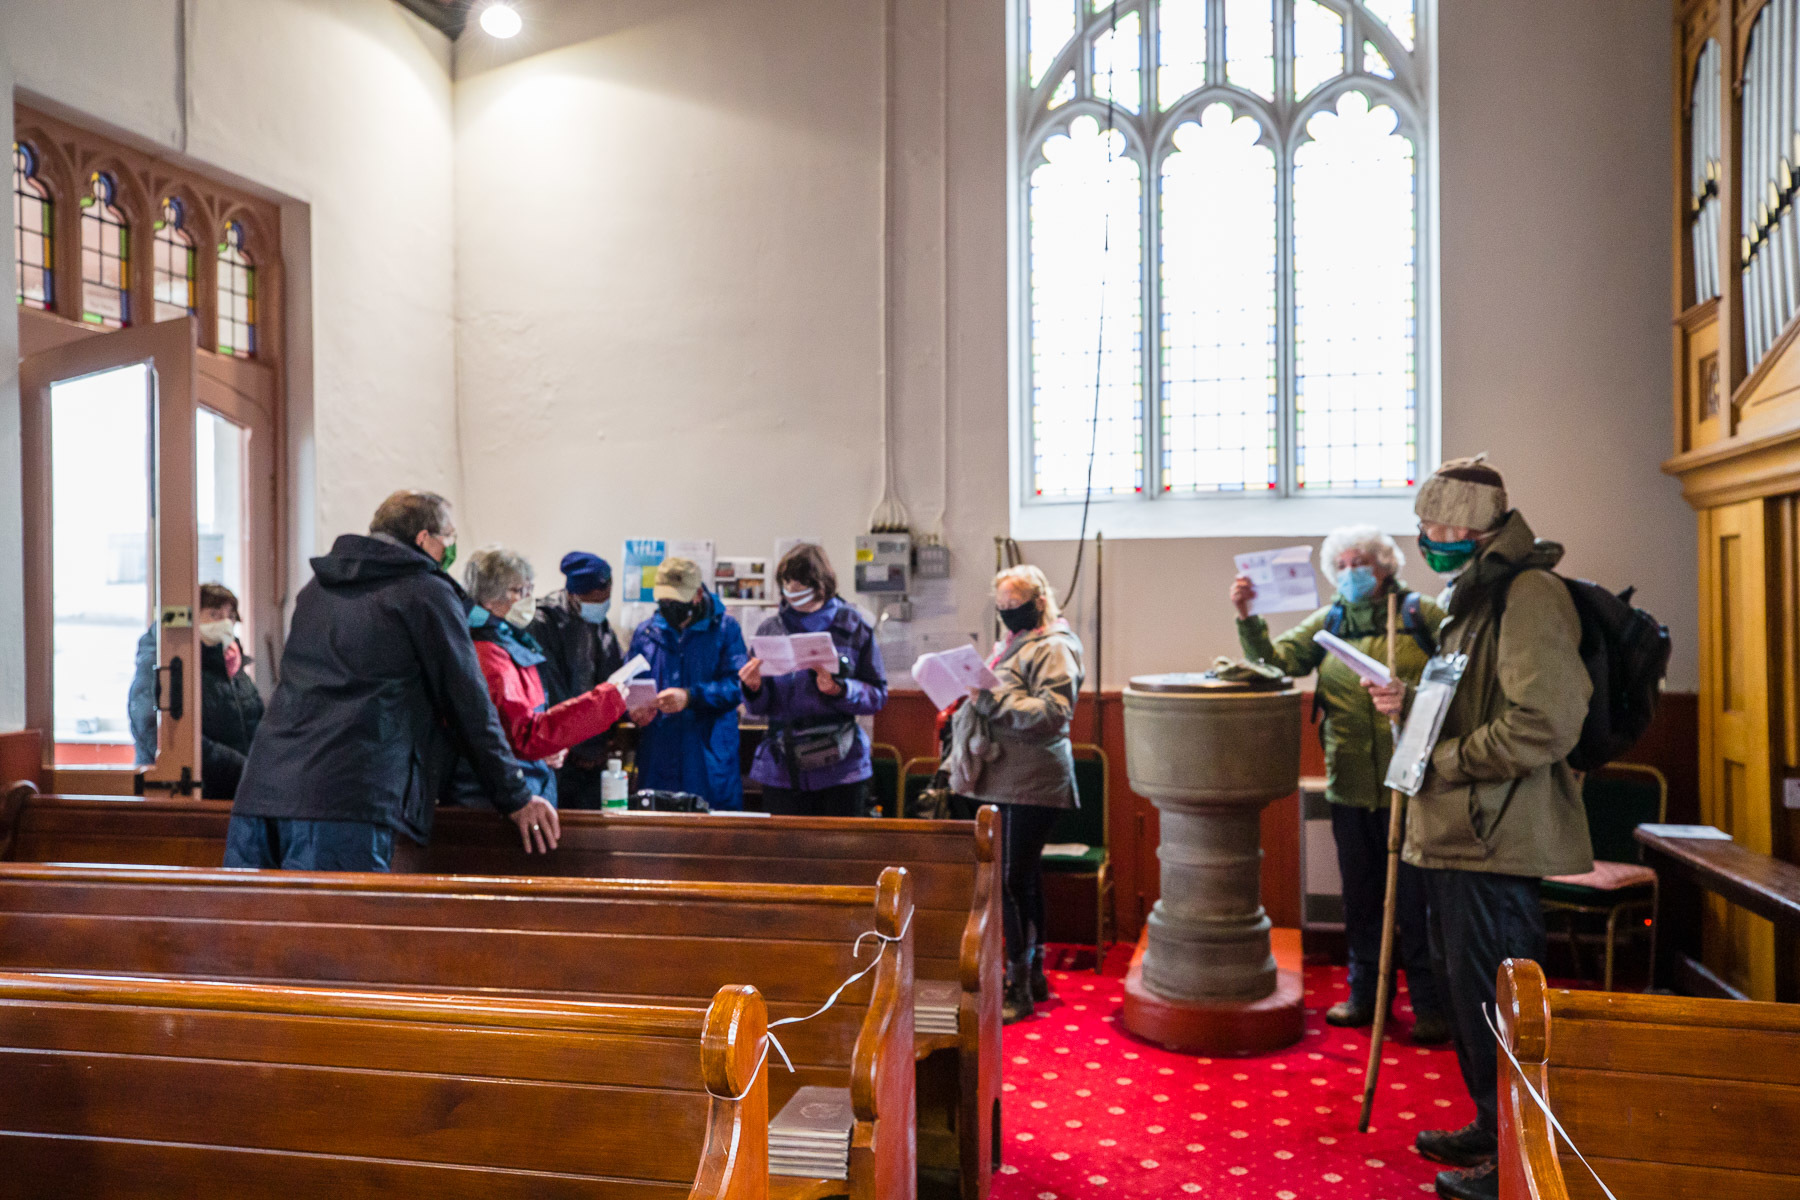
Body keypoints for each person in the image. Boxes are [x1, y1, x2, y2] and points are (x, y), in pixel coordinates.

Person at [1364, 455, 1592, 1200]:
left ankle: (1517, 1157)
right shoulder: (1474, 597)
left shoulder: (1528, 594)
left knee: (1502, 998)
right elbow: (1472, 700)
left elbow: (1544, 722)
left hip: (1497, 834)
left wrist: (1449, 759)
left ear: (1463, 523)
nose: (1425, 538)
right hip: (1460, 832)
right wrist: (1411, 709)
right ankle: (1491, 1119)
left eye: (1430, 525)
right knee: (1471, 996)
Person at [225, 490, 560, 871]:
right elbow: (469, 703)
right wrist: (515, 796)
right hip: (347, 796)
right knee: (339, 927)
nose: (450, 547)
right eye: (448, 537)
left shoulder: (316, 589)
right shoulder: (426, 592)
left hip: (263, 788)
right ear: (423, 538)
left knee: (257, 927)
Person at [1231, 527, 1451, 1046]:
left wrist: (1412, 693)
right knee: (1362, 896)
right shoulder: (1329, 621)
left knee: (1418, 902)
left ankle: (1430, 1004)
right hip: (1350, 781)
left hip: (1415, 785)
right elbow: (1276, 662)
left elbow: (1461, 677)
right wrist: (1246, 617)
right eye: (1344, 565)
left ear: (1385, 566)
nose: (1352, 572)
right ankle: (1365, 996)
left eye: (1362, 563)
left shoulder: (1421, 616)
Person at [945, 564, 1084, 1023]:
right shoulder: (1013, 643)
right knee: (1021, 880)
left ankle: (1019, 986)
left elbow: (1054, 712)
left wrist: (989, 699)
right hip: (1009, 777)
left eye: (1014, 606)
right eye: (1001, 607)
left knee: (1011, 881)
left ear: (1039, 602)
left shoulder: (1056, 646)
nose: (1007, 614)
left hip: (1035, 778)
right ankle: (1035, 975)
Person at [451, 546, 628, 809]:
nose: (527, 599)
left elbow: (528, 723)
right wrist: (602, 705)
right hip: (495, 799)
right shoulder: (488, 653)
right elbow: (523, 735)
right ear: (489, 597)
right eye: (517, 591)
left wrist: (546, 750)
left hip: (530, 781)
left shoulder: (511, 640)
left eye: (528, 589)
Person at [739, 544, 888, 816]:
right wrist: (752, 689)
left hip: (841, 768)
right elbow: (757, 708)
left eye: (801, 585)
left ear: (820, 585)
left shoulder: (853, 627)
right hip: (782, 766)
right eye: (787, 584)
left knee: (840, 853)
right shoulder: (770, 629)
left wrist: (840, 690)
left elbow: (878, 695)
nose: (793, 591)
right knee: (786, 853)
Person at [628, 557, 749, 811]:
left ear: (697, 594)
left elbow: (737, 686)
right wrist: (635, 710)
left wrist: (691, 697)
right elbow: (629, 684)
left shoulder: (725, 629)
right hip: (658, 755)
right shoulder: (646, 633)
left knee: (713, 840)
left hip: (707, 758)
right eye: (664, 599)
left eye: (677, 600)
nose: (670, 606)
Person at [127, 582, 265, 800]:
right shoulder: (164, 659)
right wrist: (240, 768)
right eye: (214, 614)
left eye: (230, 616)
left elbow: (256, 722)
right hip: (184, 795)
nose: (225, 623)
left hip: (236, 795)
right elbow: (155, 728)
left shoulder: (231, 664)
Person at [529, 551, 626, 808]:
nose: (601, 605)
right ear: (574, 595)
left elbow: (611, 679)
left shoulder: (602, 627)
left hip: (596, 755)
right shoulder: (542, 623)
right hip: (560, 756)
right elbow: (550, 690)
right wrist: (577, 744)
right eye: (594, 600)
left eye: (606, 598)